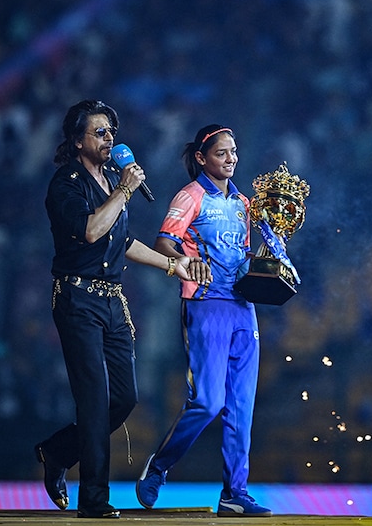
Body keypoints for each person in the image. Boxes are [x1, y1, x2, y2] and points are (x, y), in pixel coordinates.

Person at [34, 99, 196, 519]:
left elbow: (121, 241)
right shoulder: (66, 184)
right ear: (76, 140)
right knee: (93, 399)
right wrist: (124, 190)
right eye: (99, 132)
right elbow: (91, 230)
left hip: (112, 301)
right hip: (77, 299)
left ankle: (57, 451)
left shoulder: (110, 180)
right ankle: (94, 500)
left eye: (111, 132)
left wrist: (172, 264)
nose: (109, 139)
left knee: (123, 398)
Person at [136, 125, 272, 517]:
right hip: (206, 304)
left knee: (241, 407)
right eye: (222, 153)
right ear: (201, 157)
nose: (231, 159)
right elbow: (164, 242)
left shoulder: (246, 204)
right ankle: (159, 466)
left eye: (234, 152)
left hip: (243, 308)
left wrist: (269, 254)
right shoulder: (191, 196)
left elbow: (246, 254)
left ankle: (234, 493)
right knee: (209, 402)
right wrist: (181, 261)